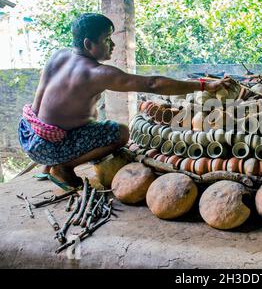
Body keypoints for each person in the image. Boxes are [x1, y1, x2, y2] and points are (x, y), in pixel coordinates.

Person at [18, 13, 231, 188]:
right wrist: (203, 85)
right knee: (119, 133)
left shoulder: (59, 55)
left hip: (29, 133)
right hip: (46, 144)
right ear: (88, 44)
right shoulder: (96, 73)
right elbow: (153, 84)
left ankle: (47, 163)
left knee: (90, 113)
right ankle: (62, 167)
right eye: (106, 39)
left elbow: (52, 103)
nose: (112, 44)